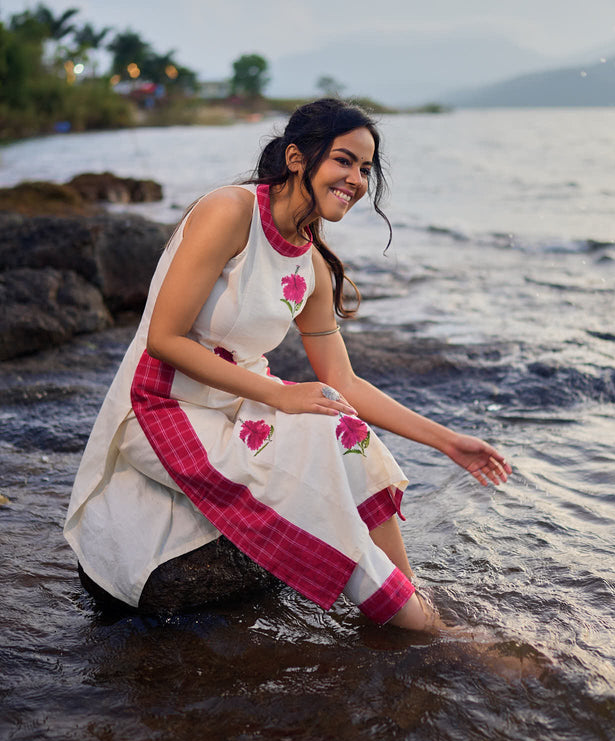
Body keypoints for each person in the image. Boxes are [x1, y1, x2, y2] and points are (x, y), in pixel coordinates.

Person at [64, 98, 511, 631]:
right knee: (319, 487)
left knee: (343, 429)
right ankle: (424, 628)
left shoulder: (313, 263)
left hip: (237, 404)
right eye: (344, 161)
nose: (356, 179)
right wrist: (280, 395)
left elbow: (343, 381)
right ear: (298, 158)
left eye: (365, 169)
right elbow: (163, 338)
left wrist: (445, 440)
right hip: (160, 404)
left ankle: (406, 597)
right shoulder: (229, 211)